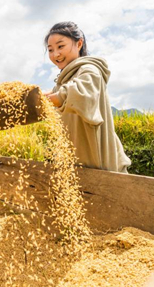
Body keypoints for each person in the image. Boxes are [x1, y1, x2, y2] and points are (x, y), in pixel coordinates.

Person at [44, 21, 131, 173]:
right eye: (50, 50)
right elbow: (52, 98)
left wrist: (41, 100)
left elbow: (76, 94)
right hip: (75, 167)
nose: (55, 54)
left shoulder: (90, 70)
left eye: (60, 46)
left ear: (79, 44)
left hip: (100, 166)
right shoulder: (62, 81)